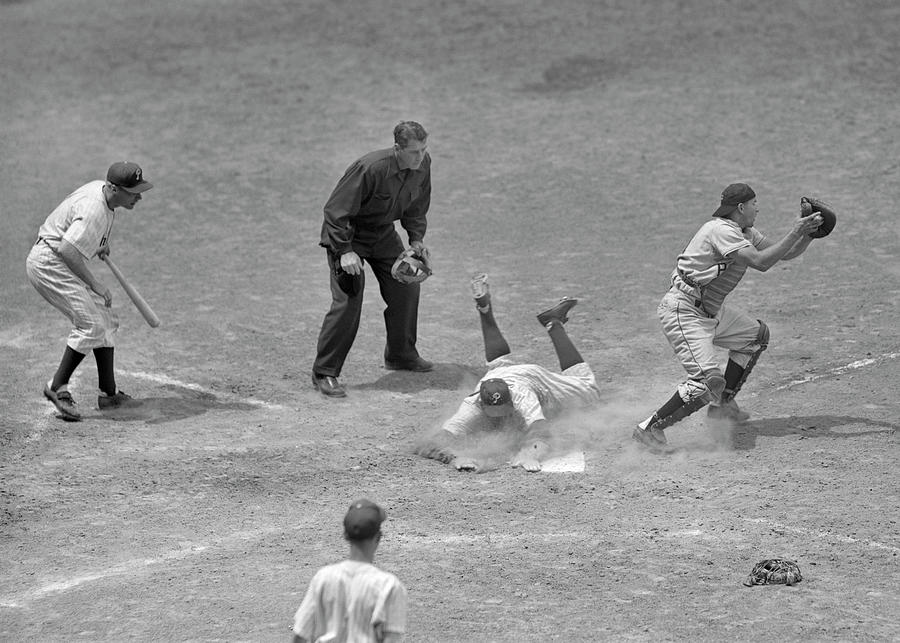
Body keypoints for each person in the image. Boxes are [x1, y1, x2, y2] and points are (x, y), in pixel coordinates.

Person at [632, 182, 824, 450]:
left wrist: (807, 234)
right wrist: (796, 230)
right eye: (754, 203)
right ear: (741, 207)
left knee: (755, 337)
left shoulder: (745, 231)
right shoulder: (721, 230)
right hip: (684, 311)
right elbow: (761, 262)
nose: (758, 208)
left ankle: (722, 408)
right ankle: (650, 428)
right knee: (706, 383)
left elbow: (784, 253)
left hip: (710, 311)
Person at [415, 275, 601, 472]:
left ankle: (553, 323)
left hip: (531, 377)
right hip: (500, 374)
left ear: (512, 399)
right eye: (494, 412)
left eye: (505, 409)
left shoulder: (522, 395)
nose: (501, 418)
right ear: (481, 403)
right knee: (498, 365)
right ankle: (484, 309)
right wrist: (454, 458)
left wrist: (530, 452)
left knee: (590, 390)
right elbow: (432, 443)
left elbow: (541, 431)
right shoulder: (471, 405)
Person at [311, 121, 433, 398]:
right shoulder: (370, 168)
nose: (421, 156)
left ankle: (401, 354)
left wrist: (416, 239)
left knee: (407, 285)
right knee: (349, 301)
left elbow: (416, 205)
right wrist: (344, 251)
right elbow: (335, 211)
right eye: (414, 152)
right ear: (397, 149)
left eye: (424, 149)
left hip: (382, 234)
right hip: (348, 234)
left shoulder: (423, 165)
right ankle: (325, 372)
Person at [26, 161, 153, 421]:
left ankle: (108, 394)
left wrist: (99, 244)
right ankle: (56, 387)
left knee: (106, 321)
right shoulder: (95, 208)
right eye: (133, 191)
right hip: (48, 264)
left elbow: (82, 228)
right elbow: (68, 250)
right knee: (90, 324)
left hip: (57, 259)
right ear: (113, 188)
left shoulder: (105, 194)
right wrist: (95, 283)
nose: (139, 196)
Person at [290, 499, 408, 643]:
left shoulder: (323, 578)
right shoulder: (389, 587)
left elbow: (300, 636)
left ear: (345, 535)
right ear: (378, 538)